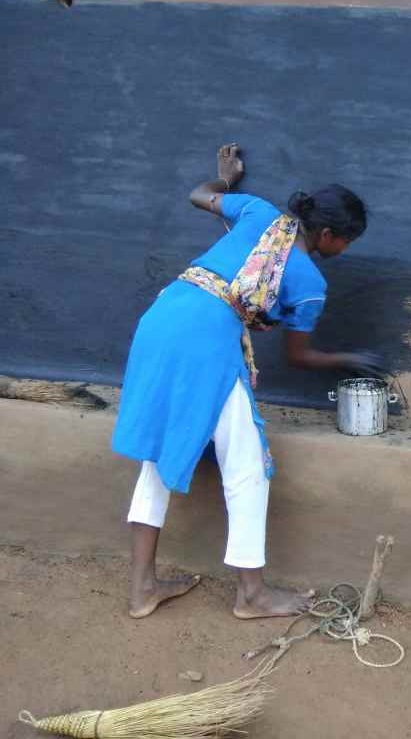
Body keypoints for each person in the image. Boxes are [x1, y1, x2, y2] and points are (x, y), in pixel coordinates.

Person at [112, 144, 382, 619]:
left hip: (161, 320)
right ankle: (252, 595)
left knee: (158, 453)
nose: (344, 251)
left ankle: (141, 589)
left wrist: (225, 180)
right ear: (326, 234)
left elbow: (200, 194)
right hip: (205, 345)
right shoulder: (309, 282)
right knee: (247, 466)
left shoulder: (255, 209)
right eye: (347, 242)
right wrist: (350, 359)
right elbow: (299, 357)